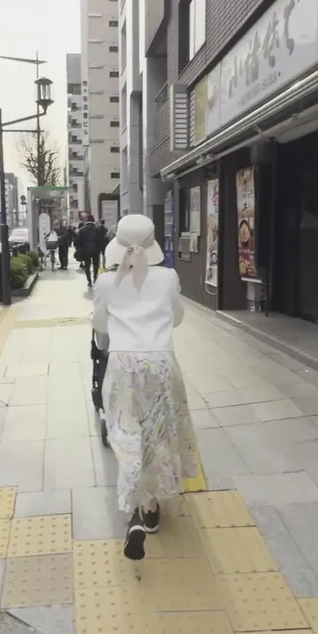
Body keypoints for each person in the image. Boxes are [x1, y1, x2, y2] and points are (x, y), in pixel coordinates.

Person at [91, 214, 196, 561]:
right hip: (161, 362)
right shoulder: (168, 277)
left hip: (123, 363)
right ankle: (151, 508)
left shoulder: (106, 282)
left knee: (125, 435)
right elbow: (177, 317)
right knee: (157, 434)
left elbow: (100, 325)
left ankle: (132, 510)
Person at [75, 215, 105, 287]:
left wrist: (79, 249)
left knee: (87, 266)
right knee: (95, 264)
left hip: (85, 250)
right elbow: (101, 241)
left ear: (86, 221)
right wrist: (101, 250)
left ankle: (89, 281)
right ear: (93, 221)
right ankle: (95, 278)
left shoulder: (82, 230)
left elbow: (77, 241)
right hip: (95, 250)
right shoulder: (97, 230)